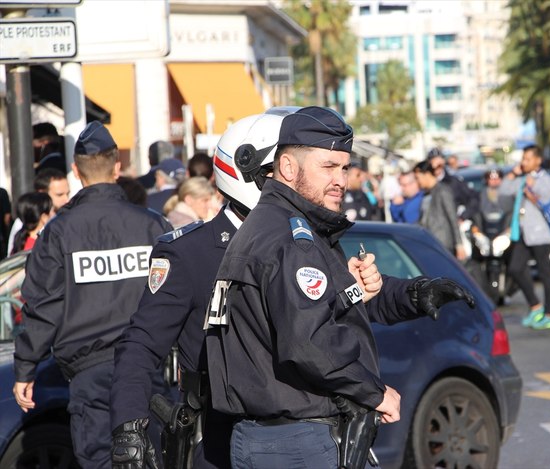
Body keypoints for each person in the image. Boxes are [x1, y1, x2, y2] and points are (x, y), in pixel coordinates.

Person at [205, 106, 475, 468]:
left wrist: (410, 294)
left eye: (345, 167)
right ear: (287, 168)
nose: (341, 180)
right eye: (328, 167)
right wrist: (374, 392)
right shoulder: (289, 238)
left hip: (283, 437)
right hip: (295, 440)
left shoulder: (284, 226)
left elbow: (330, 306)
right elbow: (309, 341)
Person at [110, 109, 298, 469]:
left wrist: (403, 294)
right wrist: (128, 426)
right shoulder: (189, 252)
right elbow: (142, 343)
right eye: (283, 170)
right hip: (222, 435)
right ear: (250, 173)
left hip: (303, 430)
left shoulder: (304, 240)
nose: (294, 179)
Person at [13, 121, 172, 468]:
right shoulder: (153, 225)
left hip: (90, 376)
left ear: (75, 171)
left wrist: (26, 368)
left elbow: (42, 307)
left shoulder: (58, 233)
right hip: (148, 372)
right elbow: (176, 298)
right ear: (117, 166)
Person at [499, 145, 550, 329]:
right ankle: (535, 306)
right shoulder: (522, 178)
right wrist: (512, 173)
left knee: (545, 273)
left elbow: (547, 198)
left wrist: (532, 191)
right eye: (523, 159)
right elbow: (503, 191)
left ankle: (549, 313)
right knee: (515, 268)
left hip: (540, 234)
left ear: (537, 160)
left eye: (527, 159)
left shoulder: (544, 179)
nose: (524, 162)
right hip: (522, 233)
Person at [6, 168, 70, 257]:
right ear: (42, 193)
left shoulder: (66, 217)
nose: (66, 200)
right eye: (59, 195)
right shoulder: (22, 222)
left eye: (68, 194)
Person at [413, 159, 467, 261]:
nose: (417, 182)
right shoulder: (426, 194)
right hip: (430, 244)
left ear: (427, 174)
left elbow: (452, 217)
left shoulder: (443, 190)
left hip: (443, 245)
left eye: (418, 178)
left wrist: (459, 244)